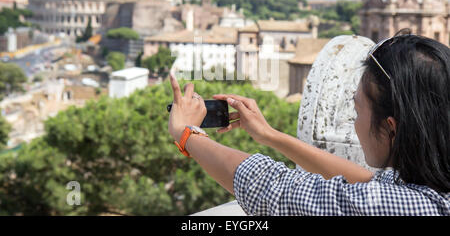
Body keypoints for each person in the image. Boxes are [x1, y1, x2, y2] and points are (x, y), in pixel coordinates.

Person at [167, 33, 449, 215]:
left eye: (357, 109)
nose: (354, 122)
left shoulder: (400, 209)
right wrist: (270, 136)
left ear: (391, 128)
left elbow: (272, 189)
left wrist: (187, 135)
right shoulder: (428, 189)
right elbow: (368, 182)